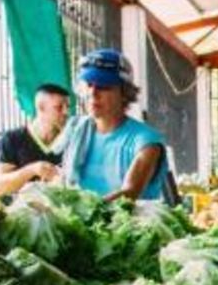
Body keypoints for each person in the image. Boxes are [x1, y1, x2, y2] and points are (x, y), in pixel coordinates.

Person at [63, 49, 167, 201]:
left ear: (124, 93)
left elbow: (129, 194)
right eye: (89, 85)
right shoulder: (78, 134)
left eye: (103, 86)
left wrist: (87, 214)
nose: (93, 93)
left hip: (128, 224)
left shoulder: (146, 143)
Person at [0, 82, 70, 194]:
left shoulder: (72, 140)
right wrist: (33, 170)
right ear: (40, 108)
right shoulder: (12, 139)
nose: (66, 112)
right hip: (19, 209)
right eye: (59, 107)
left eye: (68, 107)